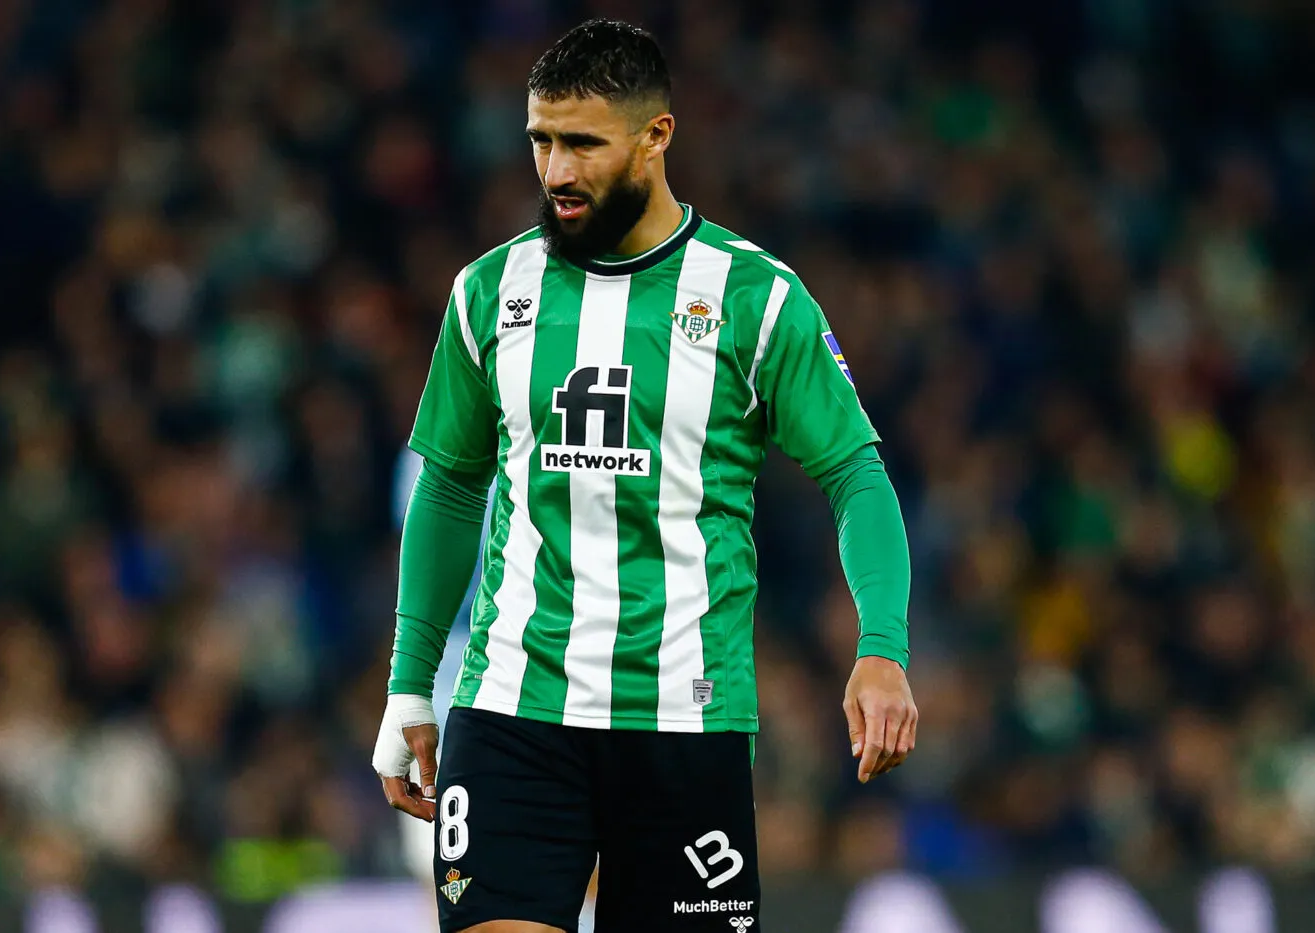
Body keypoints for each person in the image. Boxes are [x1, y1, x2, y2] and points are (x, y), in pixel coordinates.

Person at [374, 19, 916, 933]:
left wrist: (884, 647)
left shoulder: (757, 298)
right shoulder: (488, 292)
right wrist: (407, 683)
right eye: (542, 141)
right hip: (513, 708)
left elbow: (856, 475)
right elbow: (453, 485)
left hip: (684, 722)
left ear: (657, 136)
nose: (556, 171)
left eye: (583, 142)